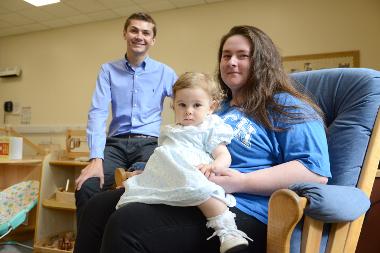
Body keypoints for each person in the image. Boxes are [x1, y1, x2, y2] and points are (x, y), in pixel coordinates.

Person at [74, 25, 331, 253]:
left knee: (127, 224)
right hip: (189, 188)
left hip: (240, 209)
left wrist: (243, 182)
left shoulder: (287, 106)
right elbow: (183, 148)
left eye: (242, 56)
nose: (231, 62)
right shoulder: (216, 108)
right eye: (226, 55)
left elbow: (313, 171)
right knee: (97, 207)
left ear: (263, 61)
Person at [116, 72, 251, 253]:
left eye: (196, 105)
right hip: (171, 175)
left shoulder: (209, 127)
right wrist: (149, 173)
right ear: (173, 106)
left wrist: (215, 166)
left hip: (193, 170)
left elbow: (224, 155)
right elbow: (163, 160)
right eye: (182, 105)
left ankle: (227, 230)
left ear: (211, 107)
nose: (188, 110)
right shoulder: (171, 130)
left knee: (200, 189)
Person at [74, 12, 177, 223]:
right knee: (86, 187)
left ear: (153, 39)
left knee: (140, 189)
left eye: (146, 32)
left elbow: (186, 101)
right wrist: (96, 158)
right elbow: (98, 112)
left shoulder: (165, 73)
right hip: (114, 146)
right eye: (134, 30)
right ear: (125, 34)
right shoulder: (108, 70)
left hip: (149, 145)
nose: (140, 36)